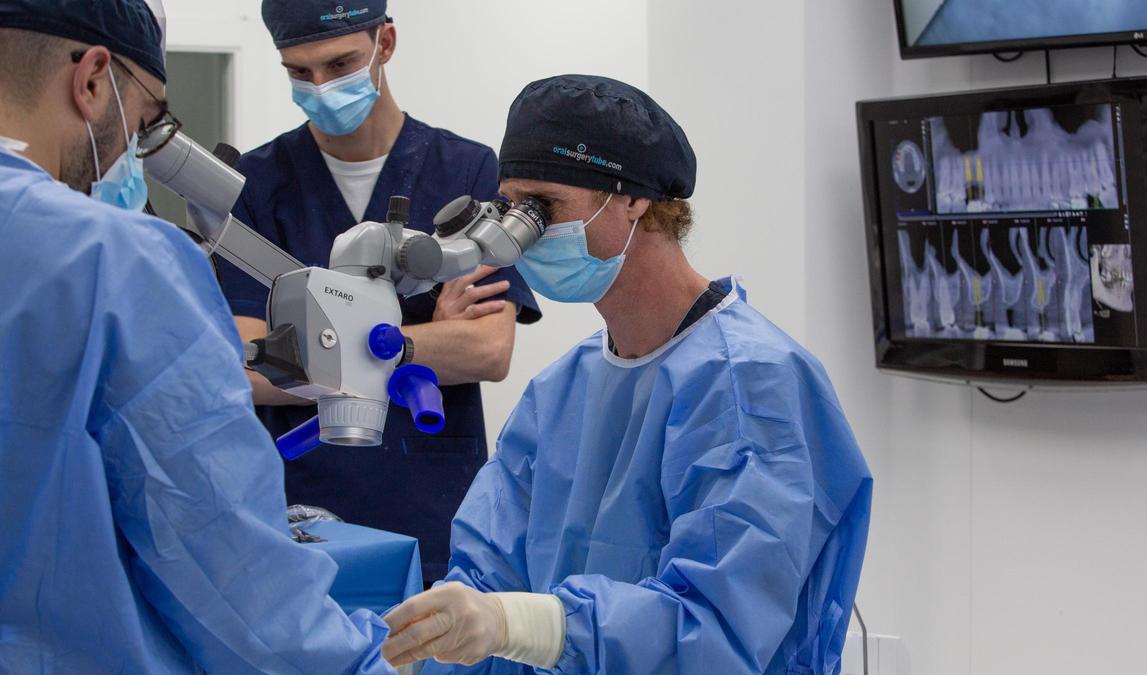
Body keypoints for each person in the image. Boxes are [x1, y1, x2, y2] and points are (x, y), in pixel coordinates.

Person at [381, 75, 874, 673]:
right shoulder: (560, 393)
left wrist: (521, 624)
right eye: (511, 208)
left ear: (634, 199)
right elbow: (487, 583)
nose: (520, 236)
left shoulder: (752, 385)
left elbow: (716, 629)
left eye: (543, 209)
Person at [0, 1, 396, 672]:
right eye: (146, 120)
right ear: (93, 78)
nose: (133, 151)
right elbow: (236, 582)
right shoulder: (114, 258)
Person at [221, 0, 540, 585]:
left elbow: (487, 351)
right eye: (299, 71)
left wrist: (310, 349)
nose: (320, 85)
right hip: (297, 509)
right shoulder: (256, 184)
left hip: (427, 504)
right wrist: (426, 341)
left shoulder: (466, 170)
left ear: (384, 44)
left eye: (339, 63)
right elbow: (245, 366)